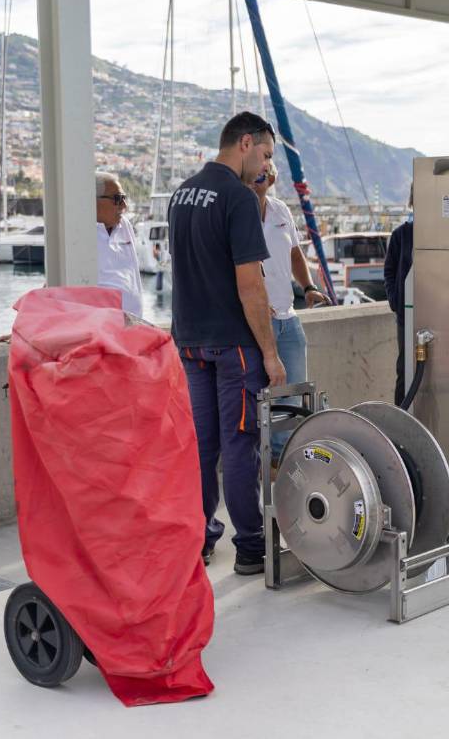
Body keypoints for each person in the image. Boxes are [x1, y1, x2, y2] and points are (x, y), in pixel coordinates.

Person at [168, 111, 286, 575]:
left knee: (201, 446)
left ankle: (197, 539)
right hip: (234, 346)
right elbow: (250, 286)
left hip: (190, 343)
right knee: (240, 445)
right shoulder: (236, 198)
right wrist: (270, 353)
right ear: (245, 142)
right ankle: (252, 545)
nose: (264, 166)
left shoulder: (181, 195)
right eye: (265, 154)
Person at [250, 161, 328, 462]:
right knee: (258, 400)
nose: (264, 173)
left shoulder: (281, 209)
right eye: (260, 166)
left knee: (294, 398)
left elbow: (295, 253)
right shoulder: (237, 213)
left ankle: (286, 463)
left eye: (268, 167)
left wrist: (308, 286)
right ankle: (260, 466)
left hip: (288, 320)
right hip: (257, 323)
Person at [94, 171, 144, 317]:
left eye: (124, 198)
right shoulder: (77, 233)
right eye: (117, 199)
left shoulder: (125, 225)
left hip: (131, 328)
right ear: (93, 200)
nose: (124, 205)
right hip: (100, 329)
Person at [383, 189, 413, 406]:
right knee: (404, 371)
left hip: (438, 316)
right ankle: (400, 426)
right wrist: (395, 300)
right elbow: (390, 270)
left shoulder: (442, 234)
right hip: (406, 317)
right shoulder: (401, 235)